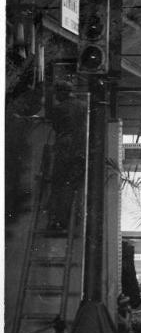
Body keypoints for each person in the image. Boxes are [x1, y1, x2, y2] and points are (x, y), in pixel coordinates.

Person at [46, 80, 87, 230]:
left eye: (57, 93)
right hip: (81, 151)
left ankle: (59, 221)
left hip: (65, 150)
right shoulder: (84, 106)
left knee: (59, 185)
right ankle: (74, 221)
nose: (56, 96)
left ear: (62, 92)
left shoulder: (59, 108)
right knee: (76, 186)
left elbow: (56, 127)